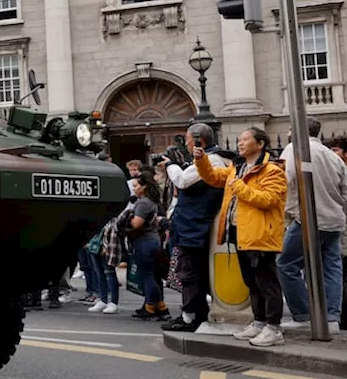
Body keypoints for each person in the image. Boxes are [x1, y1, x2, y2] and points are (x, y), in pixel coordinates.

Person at [195, 128, 289, 347]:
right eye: (239, 140)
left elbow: (268, 200)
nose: (240, 143)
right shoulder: (236, 167)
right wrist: (201, 161)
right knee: (251, 282)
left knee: (267, 283)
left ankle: (274, 328)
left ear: (260, 144)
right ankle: (259, 322)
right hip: (240, 232)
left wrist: (239, 186)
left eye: (246, 139)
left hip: (261, 234)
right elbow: (213, 178)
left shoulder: (272, 170)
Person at [278, 118, 347, 333]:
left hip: (308, 219)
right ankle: (332, 319)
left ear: (295, 130)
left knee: (286, 264)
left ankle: (302, 315)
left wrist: (291, 212)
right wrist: (337, 208)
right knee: (331, 268)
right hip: (334, 221)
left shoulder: (293, 149)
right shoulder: (333, 155)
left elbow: (286, 181)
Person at [159, 123, 231, 332]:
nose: (188, 144)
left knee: (189, 271)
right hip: (194, 224)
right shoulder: (213, 159)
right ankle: (196, 313)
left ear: (199, 139)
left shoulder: (211, 160)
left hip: (194, 225)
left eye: (189, 140)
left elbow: (182, 180)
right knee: (194, 271)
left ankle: (191, 316)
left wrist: (171, 165)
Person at [120, 171, 169, 320]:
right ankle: (161, 307)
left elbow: (136, 223)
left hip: (144, 242)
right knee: (153, 275)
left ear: (144, 187)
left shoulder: (143, 203)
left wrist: (127, 218)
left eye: (137, 185)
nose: (134, 188)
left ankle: (150, 307)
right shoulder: (152, 201)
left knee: (147, 276)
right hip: (152, 241)